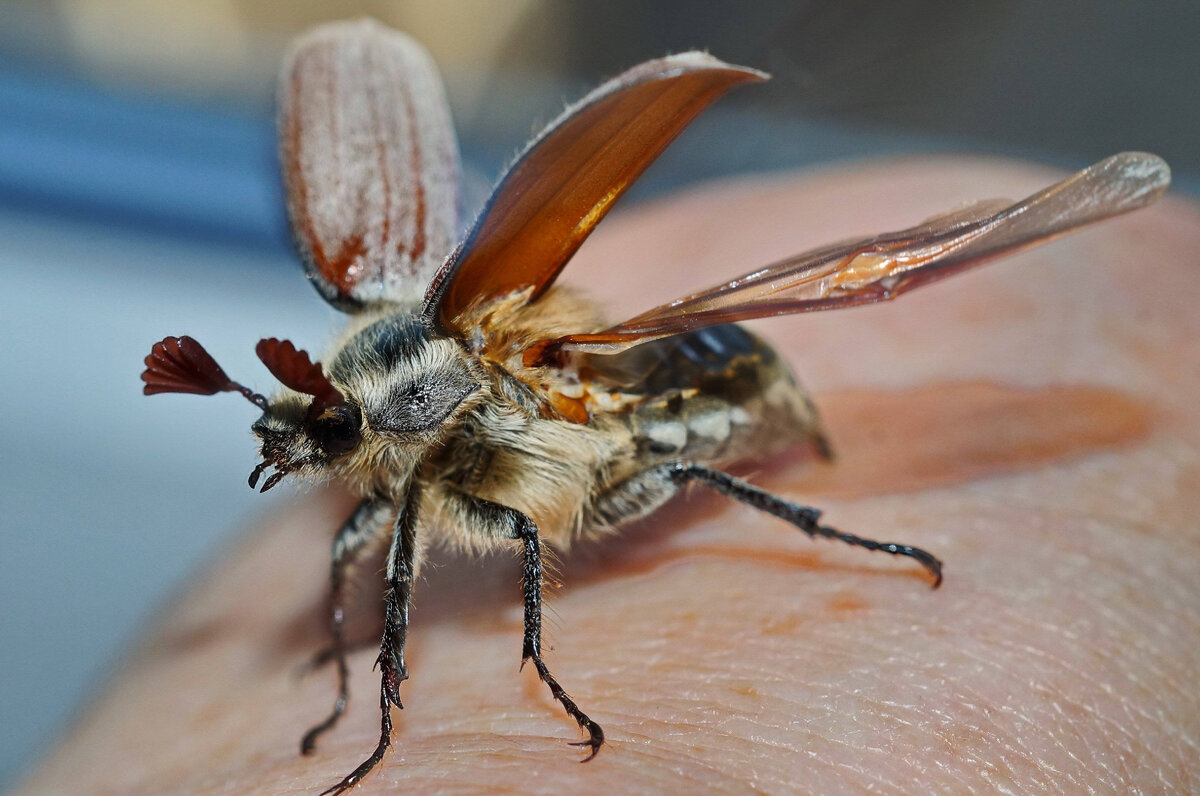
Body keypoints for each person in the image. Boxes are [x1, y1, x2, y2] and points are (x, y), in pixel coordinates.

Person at [20, 157, 1199, 794]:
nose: (309, 451)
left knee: (675, 479)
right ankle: (360, 703)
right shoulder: (398, 464)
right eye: (311, 434)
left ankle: (821, 531)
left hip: (712, 389)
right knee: (361, 538)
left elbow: (525, 535)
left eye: (322, 432)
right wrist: (340, 673)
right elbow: (368, 532)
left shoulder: (460, 424)